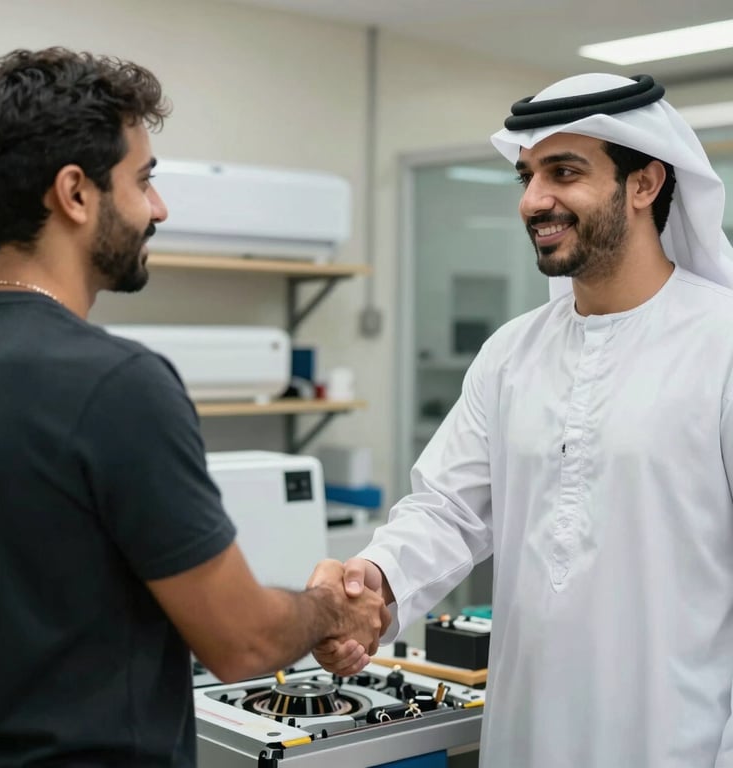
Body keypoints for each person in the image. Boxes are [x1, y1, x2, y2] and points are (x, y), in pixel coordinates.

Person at [0, 47, 389, 767]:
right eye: (143, 180)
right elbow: (243, 641)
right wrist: (331, 608)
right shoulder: (117, 384)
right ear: (75, 193)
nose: (158, 208)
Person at [311, 72, 733, 767]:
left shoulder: (720, 342)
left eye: (564, 172)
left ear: (645, 184)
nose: (536, 200)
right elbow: (447, 510)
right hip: (526, 737)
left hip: (677, 744)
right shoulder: (512, 353)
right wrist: (372, 587)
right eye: (527, 176)